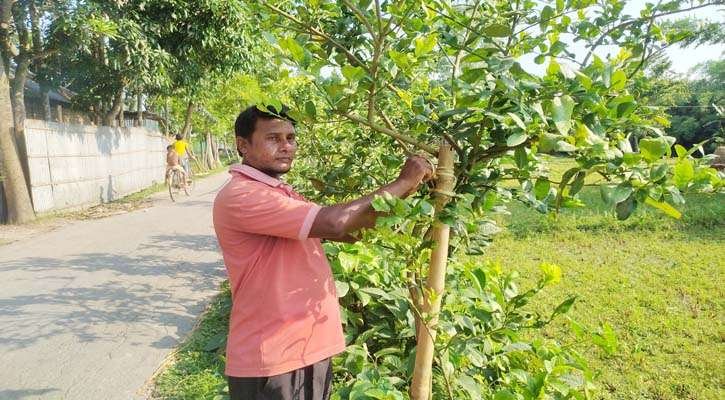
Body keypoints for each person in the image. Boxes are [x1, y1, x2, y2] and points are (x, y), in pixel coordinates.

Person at [212, 105, 434, 400]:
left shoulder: (282, 192)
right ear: (243, 145)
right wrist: (403, 181)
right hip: (274, 359)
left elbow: (351, 233)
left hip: (305, 349)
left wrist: (408, 192)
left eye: (291, 137)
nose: (286, 147)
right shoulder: (243, 194)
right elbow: (335, 223)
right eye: (274, 138)